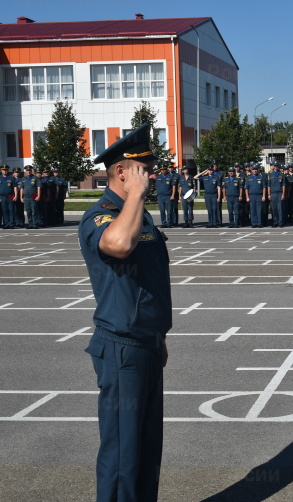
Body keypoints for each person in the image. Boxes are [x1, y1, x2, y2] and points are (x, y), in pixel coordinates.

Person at [78, 124, 171, 502]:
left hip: (146, 344)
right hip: (121, 349)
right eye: (145, 170)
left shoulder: (139, 217)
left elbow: (147, 284)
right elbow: (117, 245)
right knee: (123, 455)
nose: (151, 176)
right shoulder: (101, 216)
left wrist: (159, 337)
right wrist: (134, 196)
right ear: (122, 172)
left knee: (147, 452)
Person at [20, 165, 42, 229]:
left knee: (34, 210)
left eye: (29, 170)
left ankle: (35, 224)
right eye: (27, 170)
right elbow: (22, 188)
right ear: (25, 171)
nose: (28, 172)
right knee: (28, 211)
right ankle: (30, 224)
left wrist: (38, 196)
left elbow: (38, 187)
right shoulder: (23, 179)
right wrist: (21, 197)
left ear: (31, 171)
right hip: (26, 197)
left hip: (33, 196)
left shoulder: (35, 178)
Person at [267, 161, 286, 227]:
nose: (276, 167)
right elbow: (268, 185)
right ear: (273, 167)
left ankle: (280, 222)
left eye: (277, 166)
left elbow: (283, 185)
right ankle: (275, 222)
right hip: (272, 193)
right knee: (274, 208)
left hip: (279, 193)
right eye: (275, 166)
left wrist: (283, 194)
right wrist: (269, 194)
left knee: (280, 208)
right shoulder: (270, 175)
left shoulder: (282, 175)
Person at [0, 164, 16, 229]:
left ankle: (11, 224)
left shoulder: (11, 178)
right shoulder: (0, 178)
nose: (5, 171)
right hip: (2, 197)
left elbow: (15, 187)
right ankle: (6, 224)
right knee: (5, 210)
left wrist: (16, 196)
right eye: (3, 170)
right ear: (1, 170)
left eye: (6, 170)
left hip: (10, 196)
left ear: (8, 170)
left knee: (11, 210)